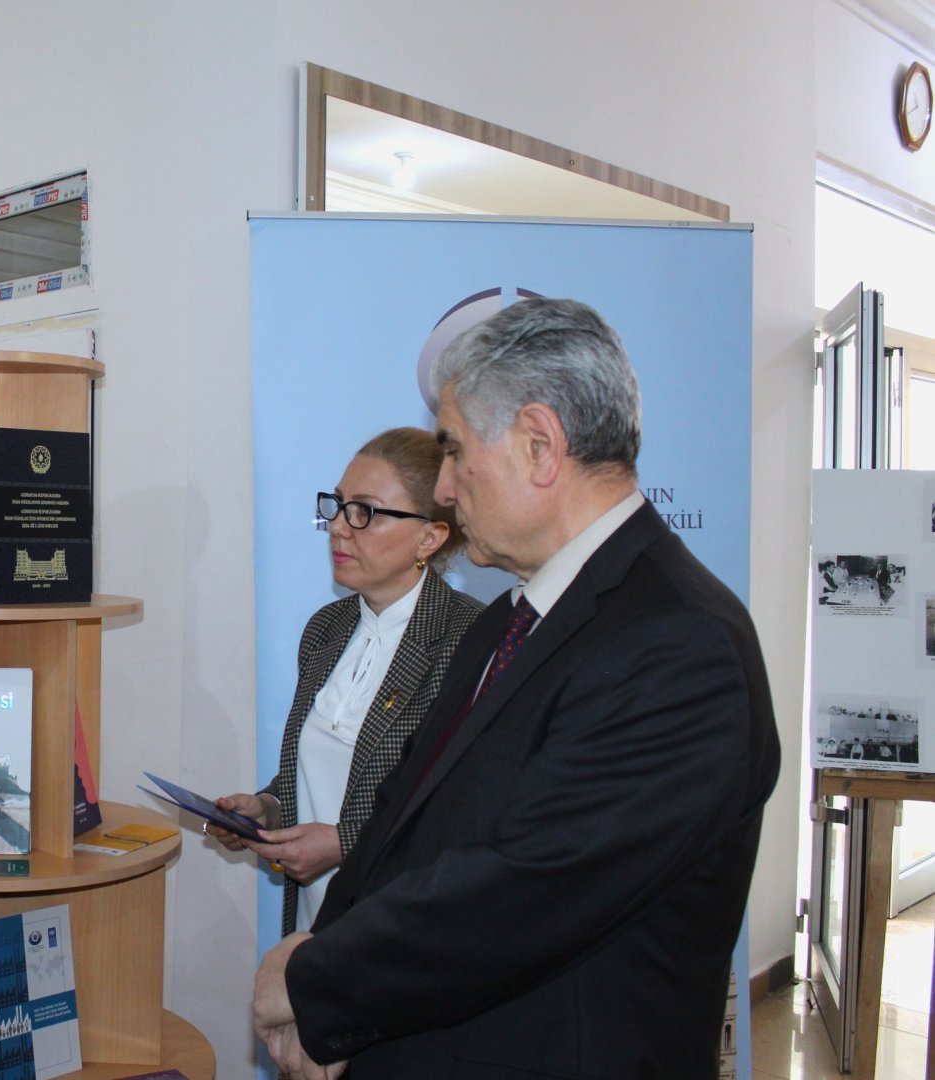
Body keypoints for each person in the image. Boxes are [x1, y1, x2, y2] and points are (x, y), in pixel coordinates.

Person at [252, 299, 781, 1079]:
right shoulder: (508, 617)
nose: (444, 488)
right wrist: (326, 983)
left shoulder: (681, 644)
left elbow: (526, 892)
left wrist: (313, 983)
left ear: (540, 447)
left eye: (457, 452)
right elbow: (402, 821)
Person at [209, 428, 481, 933]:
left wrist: (340, 843)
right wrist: (267, 808)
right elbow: (315, 779)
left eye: (365, 512)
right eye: (336, 505)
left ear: (430, 536)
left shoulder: (469, 639)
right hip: (316, 931)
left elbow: (463, 812)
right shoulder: (326, 629)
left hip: (407, 936)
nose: (338, 526)